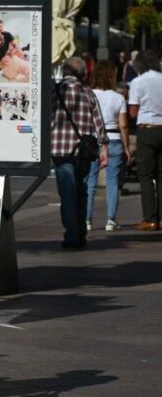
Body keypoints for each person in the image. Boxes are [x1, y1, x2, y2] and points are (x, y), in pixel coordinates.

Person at [51, 57, 108, 249]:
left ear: (65, 70)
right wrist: (104, 146)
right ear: (83, 73)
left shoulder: (55, 91)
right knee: (81, 192)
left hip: (61, 150)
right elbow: (99, 122)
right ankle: (81, 231)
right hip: (84, 151)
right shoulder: (88, 92)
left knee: (67, 194)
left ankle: (72, 235)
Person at [85, 62, 130, 232]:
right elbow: (124, 125)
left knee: (90, 181)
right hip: (114, 139)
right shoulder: (118, 97)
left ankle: (87, 221)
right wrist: (126, 147)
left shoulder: (88, 94)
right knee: (112, 182)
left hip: (93, 140)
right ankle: (111, 220)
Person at [128, 50, 162, 231]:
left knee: (146, 175)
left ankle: (150, 218)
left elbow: (133, 111)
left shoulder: (138, 82)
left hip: (147, 129)